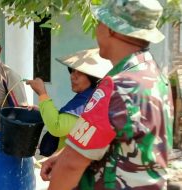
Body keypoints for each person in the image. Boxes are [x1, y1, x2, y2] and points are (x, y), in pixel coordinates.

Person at [40, 0, 174, 189]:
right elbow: (114, 135)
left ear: (112, 29)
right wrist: (60, 155)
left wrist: (64, 163)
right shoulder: (156, 77)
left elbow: (72, 164)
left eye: (99, 23)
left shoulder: (115, 87)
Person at [26, 48, 112, 156]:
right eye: (72, 71)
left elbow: (57, 127)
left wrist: (42, 94)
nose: (72, 76)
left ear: (93, 78)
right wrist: (43, 110)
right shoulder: (91, 97)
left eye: (79, 74)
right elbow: (68, 121)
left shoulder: (87, 101)